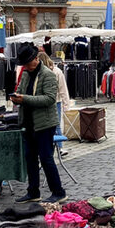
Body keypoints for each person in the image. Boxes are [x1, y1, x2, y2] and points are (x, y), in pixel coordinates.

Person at [10, 44, 66, 204]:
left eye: (28, 63)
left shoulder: (48, 75)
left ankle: (58, 192)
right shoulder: (26, 74)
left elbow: (49, 99)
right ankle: (33, 191)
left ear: (36, 59)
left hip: (44, 124)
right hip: (28, 122)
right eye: (24, 64)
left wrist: (24, 99)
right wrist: (16, 97)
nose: (26, 66)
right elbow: (22, 91)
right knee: (30, 158)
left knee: (46, 158)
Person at [38, 51, 72, 151]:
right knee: (55, 125)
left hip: (52, 102)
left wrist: (66, 104)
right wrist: (66, 104)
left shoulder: (56, 71)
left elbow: (62, 89)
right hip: (51, 101)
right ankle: (58, 148)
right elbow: (63, 89)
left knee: (54, 125)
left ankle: (58, 147)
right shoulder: (56, 71)